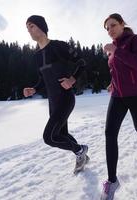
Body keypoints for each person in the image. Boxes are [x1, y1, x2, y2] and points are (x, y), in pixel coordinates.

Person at [23, 15, 89, 174]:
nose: (29, 31)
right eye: (27, 28)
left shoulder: (59, 46)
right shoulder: (37, 56)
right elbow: (42, 79)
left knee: (49, 137)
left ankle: (80, 151)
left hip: (65, 98)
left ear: (41, 27)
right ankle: (82, 155)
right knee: (61, 134)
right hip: (52, 101)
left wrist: (72, 79)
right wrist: (34, 89)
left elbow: (82, 62)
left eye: (31, 26)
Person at [100, 13, 137, 200]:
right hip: (118, 96)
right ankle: (112, 181)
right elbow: (118, 71)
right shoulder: (114, 48)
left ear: (122, 24)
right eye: (107, 28)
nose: (110, 30)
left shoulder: (135, 40)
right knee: (109, 133)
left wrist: (116, 50)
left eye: (113, 25)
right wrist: (113, 83)